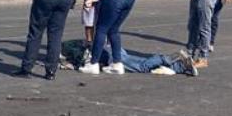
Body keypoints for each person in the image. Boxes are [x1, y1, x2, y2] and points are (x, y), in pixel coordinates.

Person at [61, 40, 198, 77]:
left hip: (110, 57)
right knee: (139, 62)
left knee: (142, 67)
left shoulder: (69, 51)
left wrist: (72, 66)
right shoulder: (72, 44)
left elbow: (83, 61)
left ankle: (165, 58)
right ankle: (181, 66)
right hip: (112, 50)